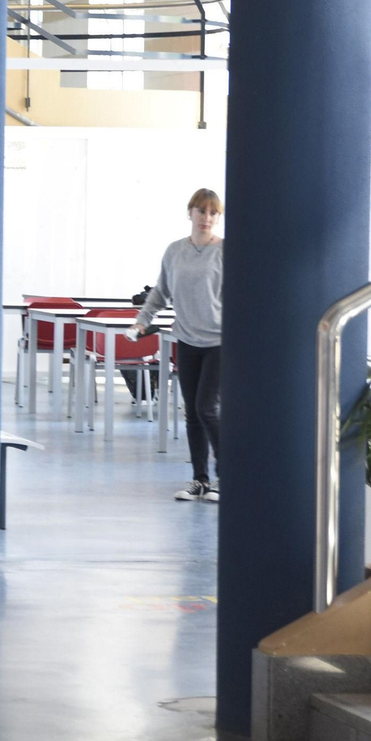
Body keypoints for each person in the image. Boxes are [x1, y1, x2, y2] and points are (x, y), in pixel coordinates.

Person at [132, 188, 223, 504]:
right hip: (186, 339)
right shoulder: (174, 252)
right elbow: (160, 293)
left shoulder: (225, 251)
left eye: (213, 213)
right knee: (193, 414)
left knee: (206, 407)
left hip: (218, 342)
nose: (206, 218)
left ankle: (227, 476)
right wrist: (142, 321)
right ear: (190, 213)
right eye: (201, 212)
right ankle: (200, 480)